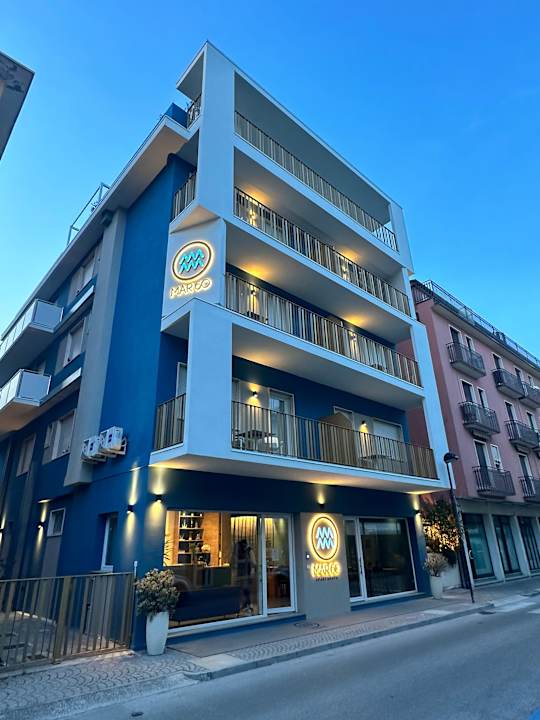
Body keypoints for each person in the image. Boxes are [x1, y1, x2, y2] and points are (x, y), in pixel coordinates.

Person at [232, 538, 256, 614]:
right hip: (243, 573)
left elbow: (253, 563)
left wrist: (252, 571)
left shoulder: (248, 551)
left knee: (246, 589)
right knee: (244, 589)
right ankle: (246, 604)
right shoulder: (243, 551)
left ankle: (248, 604)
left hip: (246, 573)